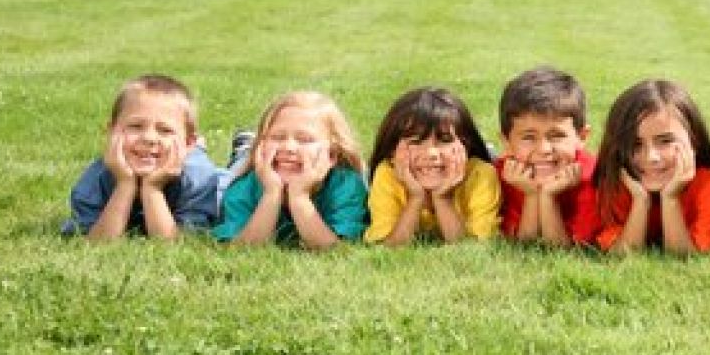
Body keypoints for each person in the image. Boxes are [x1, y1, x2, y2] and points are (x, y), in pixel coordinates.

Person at [63, 74, 218, 240]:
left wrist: (153, 188)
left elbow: (172, 244)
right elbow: (97, 242)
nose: (149, 138)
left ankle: (241, 151)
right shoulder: (95, 179)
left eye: (165, 130)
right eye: (136, 126)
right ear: (112, 132)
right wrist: (124, 184)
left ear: (188, 142)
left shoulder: (200, 179)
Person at [593, 79, 710, 255]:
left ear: (694, 141)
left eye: (665, 141)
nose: (651, 157)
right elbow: (622, 253)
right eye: (635, 144)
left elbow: (684, 256)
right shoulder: (615, 182)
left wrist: (670, 197)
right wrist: (640, 201)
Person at [213, 91, 368, 249]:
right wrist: (271, 193)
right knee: (237, 167)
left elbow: (333, 250)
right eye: (278, 137)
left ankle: (245, 147)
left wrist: (299, 196)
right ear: (261, 144)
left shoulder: (347, 186)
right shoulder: (243, 187)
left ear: (332, 154)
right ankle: (245, 147)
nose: (288, 147)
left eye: (304, 139)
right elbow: (242, 249)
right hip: (249, 165)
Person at [364, 87, 501, 245]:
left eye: (444, 140)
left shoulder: (481, 175)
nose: (431, 153)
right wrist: (415, 198)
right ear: (392, 152)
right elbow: (389, 246)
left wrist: (442, 198)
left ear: (466, 145)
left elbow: (471, 248)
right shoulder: (388, 173)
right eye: (416, 142)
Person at [496, 67, 600, 247]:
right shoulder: (501, 175)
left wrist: (548, 197)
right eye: (528, 137)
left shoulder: (595, 177)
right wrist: (531, 195)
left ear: (581, 137)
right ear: (507, 142)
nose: (544, 149)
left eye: (557, 136)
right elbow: (524, 245)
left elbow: (562, 250)